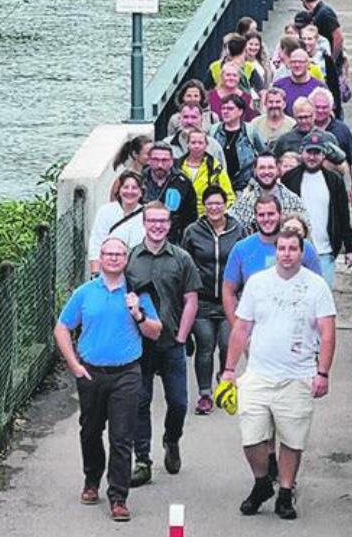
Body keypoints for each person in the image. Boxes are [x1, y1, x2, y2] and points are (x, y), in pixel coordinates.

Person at [220, 228, 337, 520]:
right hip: (258, 374)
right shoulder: (258, 284)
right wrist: (229, 369)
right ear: (276, 253)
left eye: (292, 249)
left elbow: (327, 332)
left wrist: (322, 372)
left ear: (301, 252)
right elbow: (241, 328)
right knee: (251, 437)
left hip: (298, 376)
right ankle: (262, 483)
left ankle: (285, 492)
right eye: (282, 248)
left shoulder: (316, 287)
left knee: (292, 440)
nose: (286, 254)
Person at [54, 237, 162, 521]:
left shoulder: (138, 293)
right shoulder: (85, 292)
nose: (113, 258)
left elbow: (155, 331)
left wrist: (138, 314)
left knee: (122, 436)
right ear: (100, 258)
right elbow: (62, 328)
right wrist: (74, 364)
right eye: (108, 254)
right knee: (90, 431)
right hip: (91, 372)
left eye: (119, 254)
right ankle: (92, 479)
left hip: (126, 372)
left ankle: (118, 497)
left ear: (126, 259)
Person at [126, 201, 203, 487]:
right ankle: (143, 460)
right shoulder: (131, 258)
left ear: (169, 225)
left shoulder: (181, 258)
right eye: (152, 221)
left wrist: (182, 337)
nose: (157, 226)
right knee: (140, 403)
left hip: (172, 342)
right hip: (141, 345)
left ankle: (172, 439)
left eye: (163, 221)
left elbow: (191, 300)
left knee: (179, 402)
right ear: (144, 223)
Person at [181, 186, 247, 415]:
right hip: (203, 300)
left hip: (230, 299)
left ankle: (224, 377)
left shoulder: (238, 230)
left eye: (218, 203)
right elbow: (186, 264)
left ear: (226, 204)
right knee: (205, 344)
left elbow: (245, 262)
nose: (214, 208)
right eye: (210, 204)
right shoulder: (193, 231)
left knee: (228, 344)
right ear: (204, 206)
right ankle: (205, 394)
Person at [222, 194, 322, 326]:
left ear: (281, 215)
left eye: (271, 214)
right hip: (257, 331)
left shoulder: (303, 247)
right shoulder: (241, 249)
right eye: (261, 215)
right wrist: (238, 330)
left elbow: (319, 290)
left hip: (295, 330)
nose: (266, 219)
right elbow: (228, 291)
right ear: (255, 217)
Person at [282, 130, 352, 287]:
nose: (312, 157)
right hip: (294, 250)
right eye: (309, 152)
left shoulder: (334, 181)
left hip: (325, 252)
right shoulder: (289, 179)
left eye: (317, 152)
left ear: (323, 155)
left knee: (322, 299)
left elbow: (343, 215)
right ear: (302, 153)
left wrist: (350, 248)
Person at [229, 151, 308, 232]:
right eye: (262, 168)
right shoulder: (244, 203)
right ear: (255, 171)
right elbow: (229, 226)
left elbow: (306, 231)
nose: (266, 172)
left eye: (270, 167)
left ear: (278, 170)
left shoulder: (293, 201)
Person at [309, 87, 352, 205]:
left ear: (332, 107)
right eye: (317, 107)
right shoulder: (302, 129)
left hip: (335, 191)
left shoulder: (342, 130)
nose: (320, 111)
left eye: (324, 107)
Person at [89, 170, 145, 275]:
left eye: (134, 188)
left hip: (138, 270)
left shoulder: (146, 214)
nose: (130, 191)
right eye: (126, 187)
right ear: (119, 190)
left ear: (141, 192)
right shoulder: (105, 211)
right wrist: (95, 273)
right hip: (110, 268)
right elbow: (96, 241)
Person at [141, 143, 197, 244]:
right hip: (141, 237)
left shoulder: (182, 183)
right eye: (156, 160)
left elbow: (191, 217)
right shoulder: (139, 180)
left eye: (164, 160)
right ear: (149, 160)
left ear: (171, 161)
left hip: (173, 240)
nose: (160, 165)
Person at [209, 95, 266, 192]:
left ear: (240, 111)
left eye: (230, 108)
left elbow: (264, 155)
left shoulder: (250, 131)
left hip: (245, 187)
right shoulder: (213, 131)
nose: (225, 111)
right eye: (223, 108)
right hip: (218, 185)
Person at [272, 97, 346, 169]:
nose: (304, 121)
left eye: (307, 117)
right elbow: (273, 164)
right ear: (294, 117)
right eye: (300, 118)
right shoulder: (284, 140)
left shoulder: (328, 138)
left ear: (314, 115)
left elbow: (341, 165)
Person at [178, 129, 235, 216]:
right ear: (187, 144)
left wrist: (219, 214)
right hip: (182, 215)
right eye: (193, 142)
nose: (196, 146)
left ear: (206, 145)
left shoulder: (215, 167)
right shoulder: (177, 166)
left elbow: (229, 196)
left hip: (208, 216)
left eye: (200, 143)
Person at [300, 24, 343, 119]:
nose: (306, 42)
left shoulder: (326, 58)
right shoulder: (297, 57)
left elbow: (333, 84)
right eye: (304, 39)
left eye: (310, 39)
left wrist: (336, 109)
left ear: (316, 40)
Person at [299, 0, 345, 73]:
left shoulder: (325, 13)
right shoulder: (320, 12)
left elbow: (338, 36)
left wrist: (332, 59)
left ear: (304, 1)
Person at [272, 49, 325, 117]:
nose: (297, 65)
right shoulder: (279, 86)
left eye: (301, 62)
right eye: (294, 62)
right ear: (289, 64)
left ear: (308, 64)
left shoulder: (319, 87)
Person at [109, 136, 152, 200]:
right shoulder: (122, 179)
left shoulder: (153, 176)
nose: (152, 157)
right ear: (135, 154)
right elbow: (113, 205)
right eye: (148, 154)